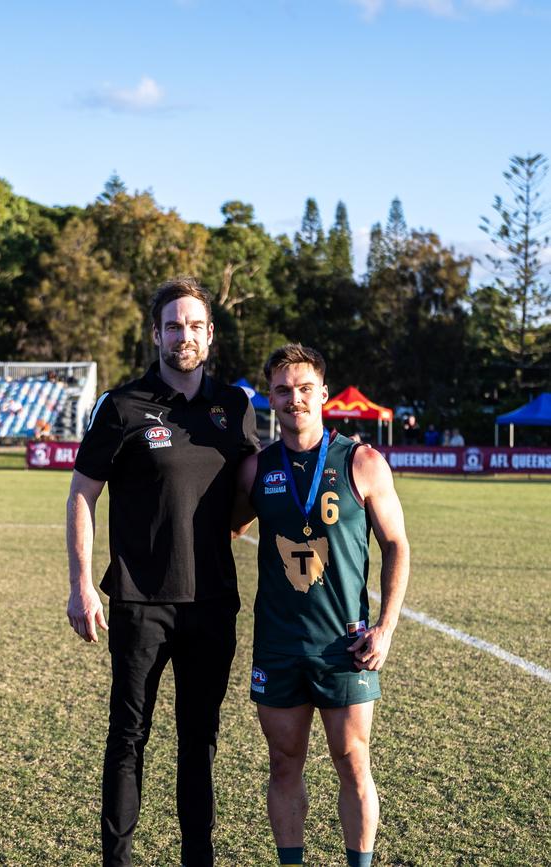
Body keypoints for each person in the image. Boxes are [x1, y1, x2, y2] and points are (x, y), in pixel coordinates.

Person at [66, 276, 260, 867]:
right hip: (138, 601)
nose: (185, 335)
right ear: (156, 333)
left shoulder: (234, 407)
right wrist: (80, 585)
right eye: (173, 325)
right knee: (128, 739)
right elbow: (81, 494)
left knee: (198, 742)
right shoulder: (121, 406)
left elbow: (251, 494)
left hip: (212, 602)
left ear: (210, 334)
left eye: (195, 325)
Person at [232, 344, 410, 867]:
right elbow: (229, 527)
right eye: (283, 390)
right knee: (284, 765)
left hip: (345, 647)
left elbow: (397, 544)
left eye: (305, 388)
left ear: (324, 394)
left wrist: (386, 628)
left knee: (354, 762)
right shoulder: (256, 469)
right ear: (270, 398)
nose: (295, 399)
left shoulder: (363, 462)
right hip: (279, 645)